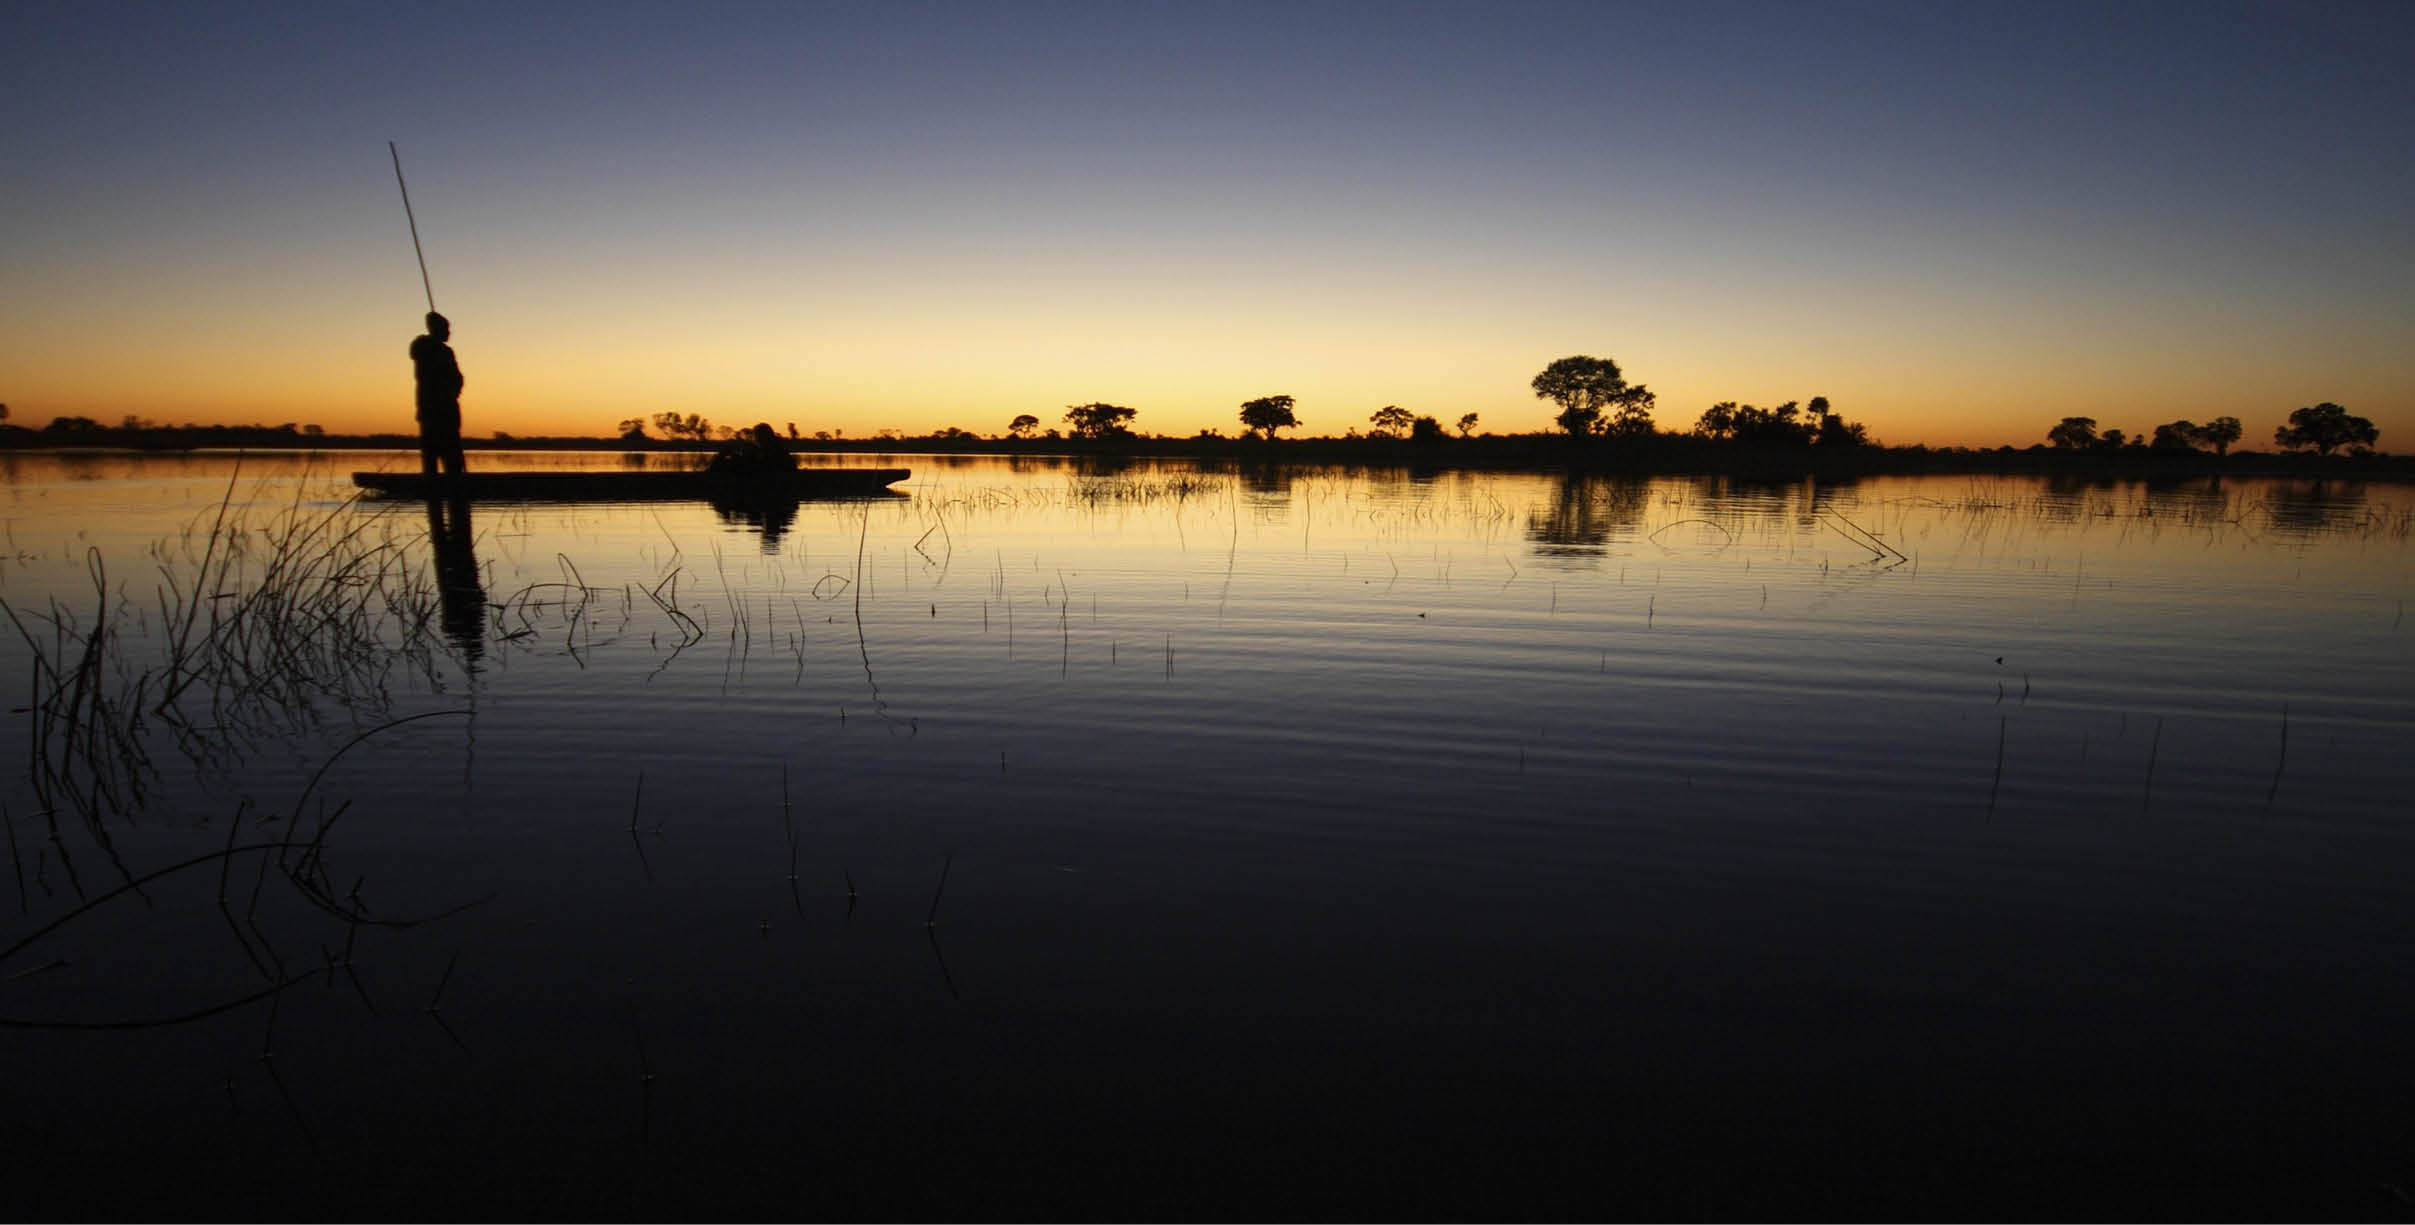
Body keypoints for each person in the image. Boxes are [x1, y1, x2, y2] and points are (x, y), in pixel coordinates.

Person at [410, 311, 466, 479]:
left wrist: (453, 390)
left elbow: (457, 378)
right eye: (446, 329)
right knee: (433, 459)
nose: (449, 333)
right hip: (433, 413)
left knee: (453, 461)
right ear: (437, 329)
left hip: (447, 413)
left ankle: (454, 488)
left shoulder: (445, 351)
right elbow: (453, 378)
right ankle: (436, 490)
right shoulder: (424, 348)